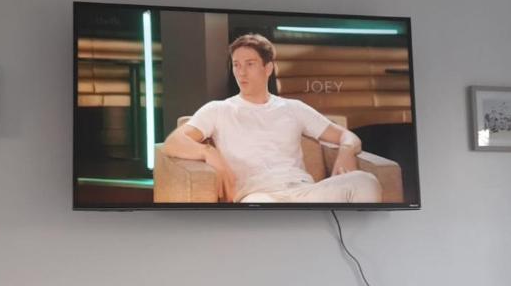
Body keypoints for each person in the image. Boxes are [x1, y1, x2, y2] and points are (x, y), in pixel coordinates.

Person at [161, 33, 382, 203]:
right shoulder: (218, 110)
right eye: (236, 65)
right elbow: (173, 142)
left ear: (268, 68)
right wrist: (208, 153)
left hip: (303, 191)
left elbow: (347, 136)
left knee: (366, 182)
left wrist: (346, 151)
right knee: (262, 210)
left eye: (250, 64)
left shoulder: (293, 108)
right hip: (258, 196)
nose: (241, 72)